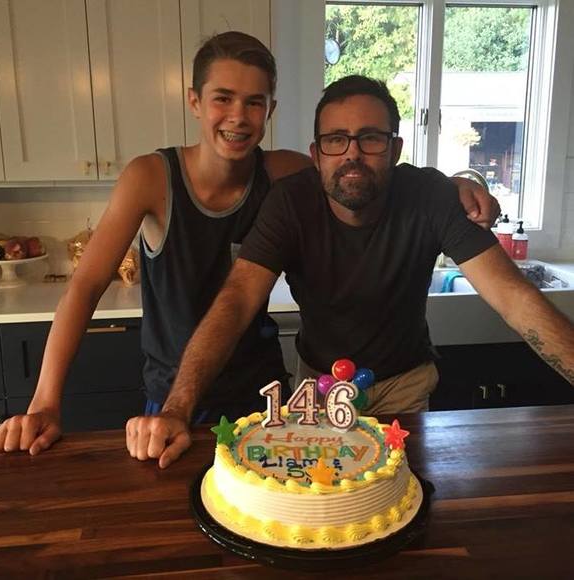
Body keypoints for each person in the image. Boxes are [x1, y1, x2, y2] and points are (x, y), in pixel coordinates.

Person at [0, 35, 497, 461]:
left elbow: (362, 173)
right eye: (223, 98)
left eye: (255, 102)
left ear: (270, 110)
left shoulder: (284, 172)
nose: (238, 116)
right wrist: (45, 403)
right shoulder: (151, 177)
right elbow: (85, 286)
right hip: (173, 395)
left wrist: (452, 184)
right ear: (194, 101)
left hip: (261, 393)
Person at [125, 74, 574, 469]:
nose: (352, 154)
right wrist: (176, 408)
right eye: (336, 139)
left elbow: (513, 296)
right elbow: (239, 297)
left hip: (405, 389)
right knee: (321, 505)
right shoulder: (290, 203)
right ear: (316, 154)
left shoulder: (431, 197)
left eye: (371, 138)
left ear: (395, 149)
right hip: (317, 391)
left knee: (402, 500)